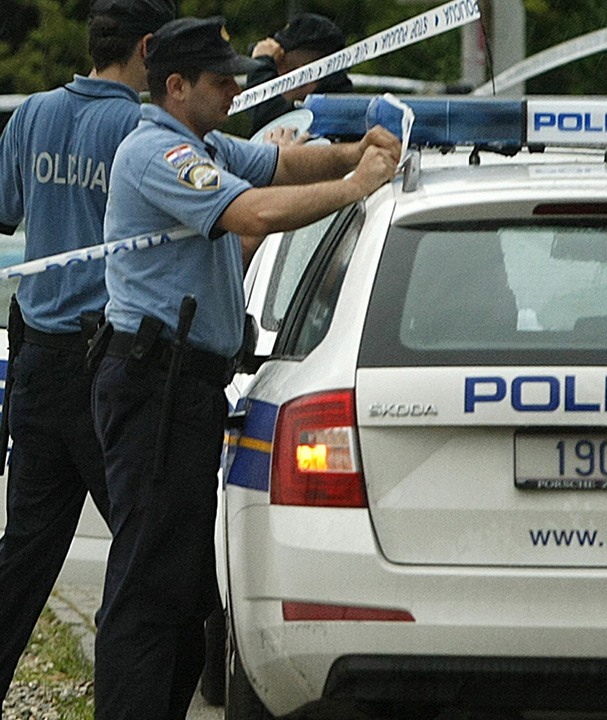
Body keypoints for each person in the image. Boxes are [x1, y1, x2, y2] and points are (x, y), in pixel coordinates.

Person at [91, 16, 399, 719]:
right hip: (155, 387)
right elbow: (253, 213)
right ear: (176, 87)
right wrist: (356, 186)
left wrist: (355, 152)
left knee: (183, 589)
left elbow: (281, 166)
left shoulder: (202, 142)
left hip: (181, 387)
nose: (236, 90)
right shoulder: (159, 153)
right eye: (221, 80)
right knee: (148, 587)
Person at [0, 0, 175, 702]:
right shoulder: (140, 131)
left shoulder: (33, 113)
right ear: (148, 47)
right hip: (109, 366)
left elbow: (6, 210)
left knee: (24, 553)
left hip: (38, 362)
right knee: (147, 551)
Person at [247, 12, 354, 133]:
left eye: (278, 63)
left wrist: (260, 68)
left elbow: (263, 114)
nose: (274, 75)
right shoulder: (347, 111)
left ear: (304, 74)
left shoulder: (316, 120)